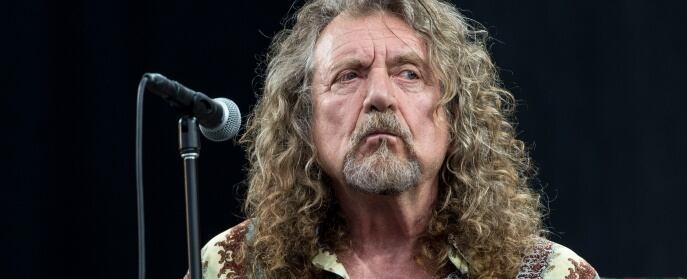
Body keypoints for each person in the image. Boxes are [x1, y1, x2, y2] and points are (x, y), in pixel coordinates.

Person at [187, 0, 599, 278]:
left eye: (409, 74)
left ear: (455, 116)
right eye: (349, 75)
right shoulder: (233, 267)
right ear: (303, 122)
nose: (380, 95)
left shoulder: (548, 273)